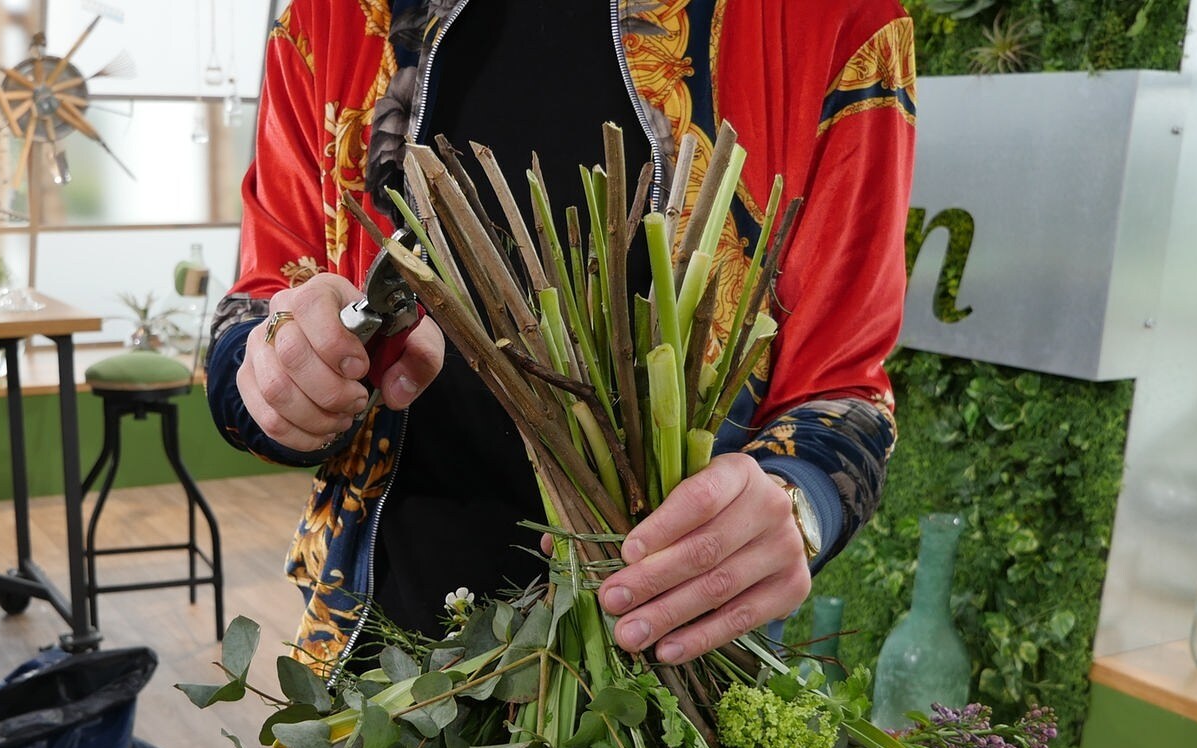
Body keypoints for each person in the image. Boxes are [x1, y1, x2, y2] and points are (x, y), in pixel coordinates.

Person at [208, 0, 915, 671]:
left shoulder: (829, 19)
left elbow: (844, 392)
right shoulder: (337, 15)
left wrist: (795, 504)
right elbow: (257, 306)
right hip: (382, 642)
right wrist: (277, 371)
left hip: (676, 654)